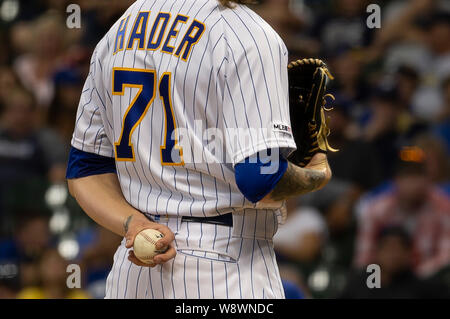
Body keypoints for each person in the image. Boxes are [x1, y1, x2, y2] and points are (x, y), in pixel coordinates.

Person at [67, 0, 332, 299]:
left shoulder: (120, 30)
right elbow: (261, 179)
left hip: (136, 266)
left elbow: (85, 169)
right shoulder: (249, 34)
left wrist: (132, 222)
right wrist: (316, 172)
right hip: (224, 268)